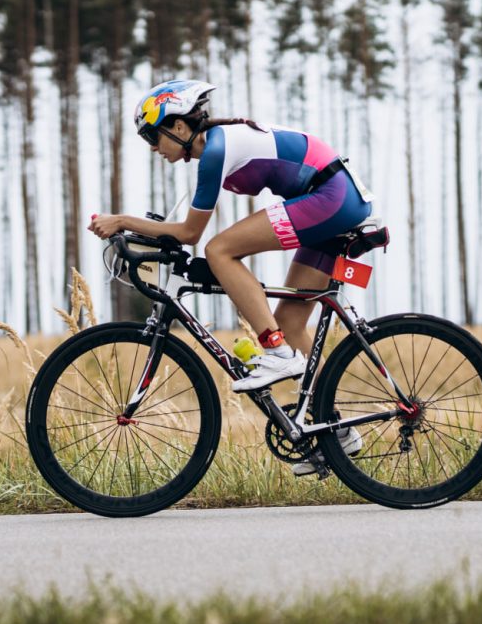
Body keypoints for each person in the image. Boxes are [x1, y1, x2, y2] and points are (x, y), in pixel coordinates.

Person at [88, 79, 370, 474]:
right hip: (333, 199)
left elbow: (190, 234)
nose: (153, 148)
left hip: (331, 197)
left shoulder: (215, 150)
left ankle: (275, 351)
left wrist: (122, 221)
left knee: (219, 250)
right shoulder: (215, 147)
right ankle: (337, 431)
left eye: (153, 136)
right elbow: (183, 228)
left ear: (179, 126)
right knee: (291, 324)